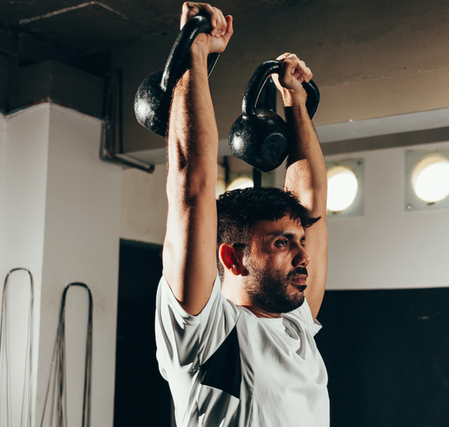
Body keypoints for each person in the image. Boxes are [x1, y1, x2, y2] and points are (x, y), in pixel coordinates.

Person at [153, 3, 329, 426]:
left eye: (299, 241)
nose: (304, 256)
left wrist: (296, 101)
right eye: (282, 243)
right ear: (231, 257)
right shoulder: (205, 333)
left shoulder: (296, 328)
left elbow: (313, 207)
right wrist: (194, 52)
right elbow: (191, 188)